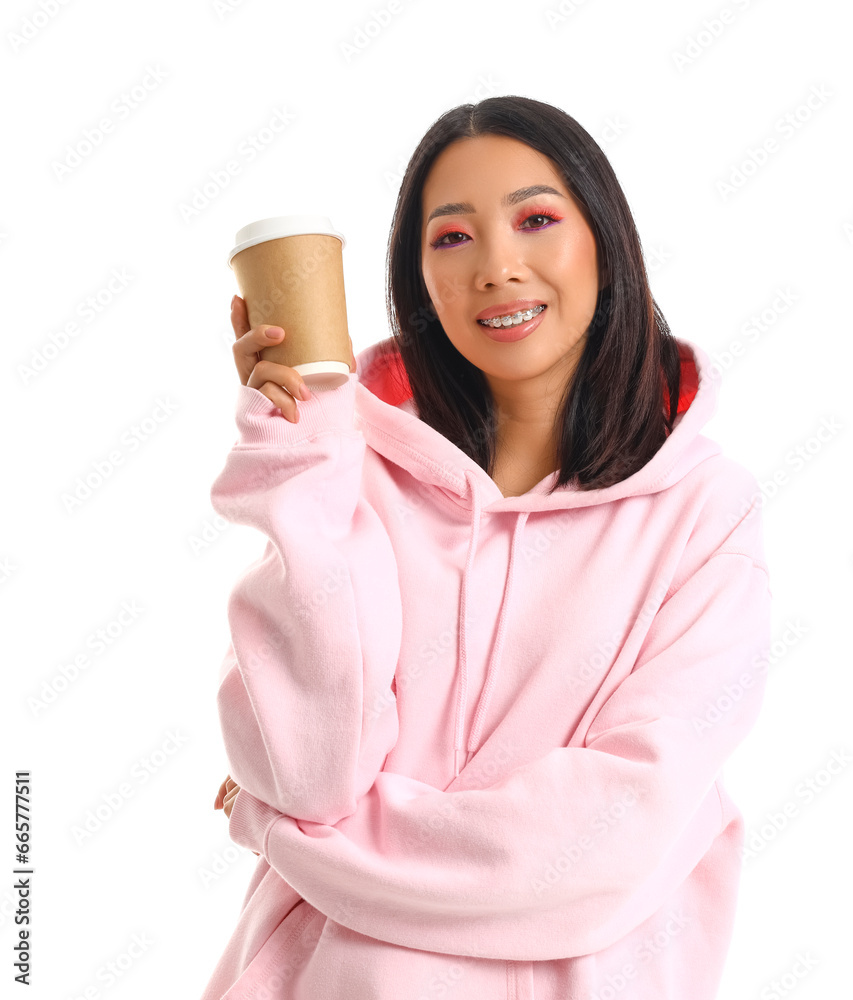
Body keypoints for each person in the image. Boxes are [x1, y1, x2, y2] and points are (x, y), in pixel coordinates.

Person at [200, 95, 772, 1000]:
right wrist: (304, 450)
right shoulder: (356, 472)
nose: (497, 267)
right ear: (416, 278)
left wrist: (292, 834)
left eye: (537, 220)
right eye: (451, 238)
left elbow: (605, 842)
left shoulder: (704, 514)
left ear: (606, 246)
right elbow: (309, 770)